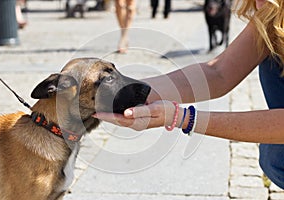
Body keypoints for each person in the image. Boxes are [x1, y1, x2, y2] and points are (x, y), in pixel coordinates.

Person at [94, 0, 284, 189]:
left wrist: (184, 118)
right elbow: (218, 73)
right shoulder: (271, 14)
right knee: (274, 154)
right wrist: (126, 93)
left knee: (276, 156)